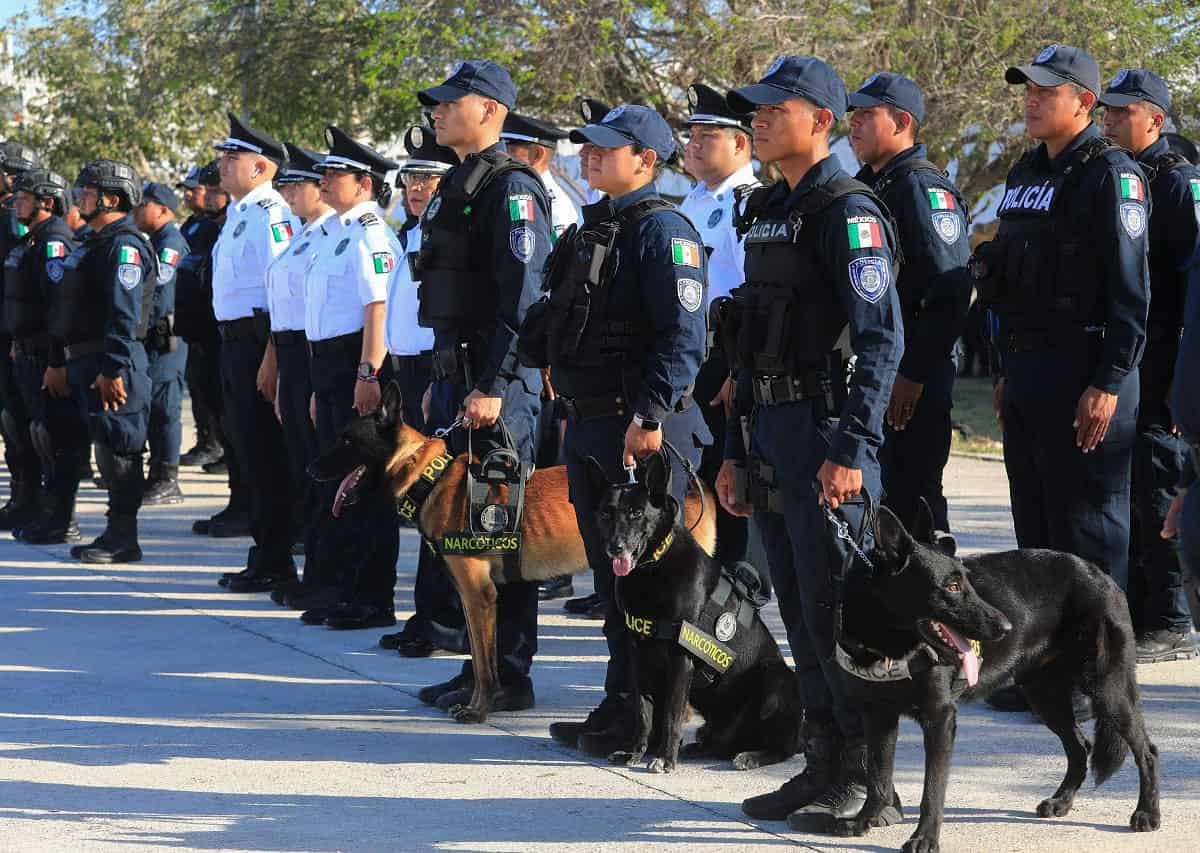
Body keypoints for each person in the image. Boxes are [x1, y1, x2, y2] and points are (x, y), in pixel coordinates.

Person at [712, 56, 904, 827]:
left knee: (844, 617)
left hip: (825, 434)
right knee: (796, 606)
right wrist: (732, 448)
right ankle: (822, 763)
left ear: (821, 120)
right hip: (770, 432)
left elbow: (881, 341)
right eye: (755, 110)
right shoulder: (765, 209)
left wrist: (852, 450)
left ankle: (870, 782)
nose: (757, 120)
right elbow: (742, 348)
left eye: (773, 109)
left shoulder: (847, 210)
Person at [974, 45, 1150, 711]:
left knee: (1090, 534)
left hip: (1087, 371)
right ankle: (1048, 666)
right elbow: (1008, 284)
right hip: (1029, 372)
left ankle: (1099, 675)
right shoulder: (1025, 173)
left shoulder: (1111, 175)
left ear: (1083, 101)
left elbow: (1132, 297)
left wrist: (1108, 381)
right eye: (1027, 89)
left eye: (1047, 90)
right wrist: (1003, 370)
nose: (1031, 99)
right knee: (1040, 538)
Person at [540, 103, 711, 755]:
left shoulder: (664, 229)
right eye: (586, 148)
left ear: (645, 159)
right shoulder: (593, 229)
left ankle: (661, 716)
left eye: (605, 148)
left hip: (641, 429)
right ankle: (623, 706)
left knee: (659, 589)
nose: (588, 156)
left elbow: (683, 334)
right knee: (616, 584)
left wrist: (650, 414)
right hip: (590, 426)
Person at [412, 59, 551, 712]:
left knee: (500, 531)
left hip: (497, 388)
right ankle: (479, 666)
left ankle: (508, 673)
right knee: (468, 533)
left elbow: (523, 300)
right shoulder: (454, 184)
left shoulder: (513, 188)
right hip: (458, 381)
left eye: (449, 103)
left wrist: (493, 384)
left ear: (490, 111)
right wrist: (443, 379)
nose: (436, 112)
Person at [1099, 69, 1199, 662]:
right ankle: (1140, 604)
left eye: (1121, 112)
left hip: (1168, 360)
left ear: (1155, 119)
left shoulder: (1178, 183)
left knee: (1161, 482)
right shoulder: (1116, 177)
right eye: (1105, 111)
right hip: (1133, 357)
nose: (1109, 121)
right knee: (1132, 487)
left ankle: (1170, 614)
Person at [847, 72, 973, 543]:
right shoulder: (867, 186)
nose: (853, 124)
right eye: (851, 115)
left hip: (913, 377)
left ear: (901, 122)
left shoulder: (920, 188)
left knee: (913, 508)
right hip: (875, 373)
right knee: (879, 510)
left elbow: (951, 293)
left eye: (866, 115)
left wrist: (914, 374)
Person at [296, 126, 400, 630]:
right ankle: (341, 587)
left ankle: (372, 597)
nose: (324, 180)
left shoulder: (370, 235)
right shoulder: (335, 234)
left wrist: (369, 372)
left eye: (334, 173)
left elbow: (376, 308)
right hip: (327, 365)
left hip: (355, 364)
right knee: (339, 482)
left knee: (367, 487)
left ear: (364, 183)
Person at [377, 124, 470, 658]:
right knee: (420, 499)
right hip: (410, 371)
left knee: (448, 496)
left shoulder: (449, 232)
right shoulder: (412, 233)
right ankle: (427, 612)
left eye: (430, 178)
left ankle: (451, 618)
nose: (417, 187)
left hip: (442, 371)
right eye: (412, 178)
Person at [48, 161, 156, 563]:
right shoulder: (91, 241)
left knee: (121, 450)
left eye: (88, 193)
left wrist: (112, 369)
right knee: (104, 449)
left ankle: (123, 538)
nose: (80, 199)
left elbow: (124, 314)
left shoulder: (123, 244)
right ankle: (111, 532)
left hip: (112, 363)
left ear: (112, 198)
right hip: (84, 360)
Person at [210, 113, 300, 593]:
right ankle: (264, 554)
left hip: (258, 342)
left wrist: (272, 356)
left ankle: (276, 559)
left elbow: (280, 293)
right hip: (233, 342)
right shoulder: (240, 214)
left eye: (233, 157)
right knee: (247, 452)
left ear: (262, 168)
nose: (222, 165)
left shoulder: (271, 216)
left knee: (266, 455)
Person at [679, 81, 758, 580]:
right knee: (691, 485)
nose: (694, 143)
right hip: (689, 359)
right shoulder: (693, 199)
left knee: (725, 487)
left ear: (741, 144)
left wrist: (738, 369)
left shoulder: (747, 204)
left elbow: (755, 295)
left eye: (709, 134)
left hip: (722, 360)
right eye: (692, 134)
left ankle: (734, 593)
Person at [264, 142, 326, 602]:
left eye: (297, 185)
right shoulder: (306, 235)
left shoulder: (331, 235)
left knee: (318, 469)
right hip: (292, 353)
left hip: (316, 354)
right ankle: (314, 570)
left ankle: (324, 573)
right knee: (300, 467)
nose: (288, 193)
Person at [3, 169, 79, 542]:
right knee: (30, 431)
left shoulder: (55, 241)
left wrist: (56, 361)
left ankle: (60, 518)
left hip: (45, 357)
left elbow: (58, 308)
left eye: (25, 197)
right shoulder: (31, 240)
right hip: (26, 352)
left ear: (46, 202)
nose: (16, 201)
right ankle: (36, 507)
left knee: (53, 437)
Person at [178, 162, 250, 541]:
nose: (204, 194)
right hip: (204, 341)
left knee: (240, 432)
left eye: (212, 188)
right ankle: (237, 501)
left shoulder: (241, 225)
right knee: (224, 425)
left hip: (228, 340)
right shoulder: (207, 228)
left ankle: (247, 505)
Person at [134, 182, 191, 506]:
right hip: (154, 338)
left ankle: (167, 479)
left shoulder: (170, 244)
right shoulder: (155, 241)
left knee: (165, 408)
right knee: (155, 409)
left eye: (146, 204)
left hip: (164, 338)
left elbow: (161, 295)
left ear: (164, 210)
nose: (139, 209)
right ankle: (156, 473)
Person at [0, 141, 42, 531]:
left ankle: (31, 497)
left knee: (20, 418)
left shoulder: (16, 215)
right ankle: (20, 495)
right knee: (10, 420)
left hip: (14, 332)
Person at [501, 112, 581, 237]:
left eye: (510, 150)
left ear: (537, 155)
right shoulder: (522, 191)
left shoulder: (555, 208)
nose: (502, 155)